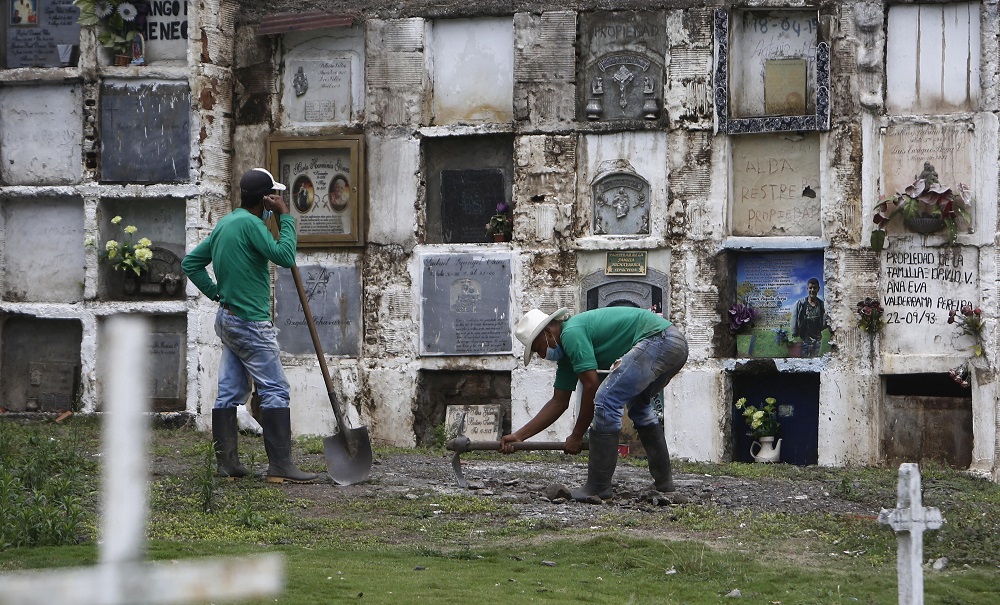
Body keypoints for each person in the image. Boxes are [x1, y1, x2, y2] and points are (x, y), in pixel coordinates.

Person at [181, 168, 319, 483]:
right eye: (275, 195)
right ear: (266, 199)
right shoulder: (253, 224)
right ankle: (280, 467)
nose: (279, 199)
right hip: (251, 323)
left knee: (229, 391)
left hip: (228, 318)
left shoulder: (226, 223)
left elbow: (191, 263)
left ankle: (227, 464)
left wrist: (217, 293)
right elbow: (285, 255)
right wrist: (284, 217)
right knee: (275, 389)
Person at [501, 306, 688, 503]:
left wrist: (577, 435)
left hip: (659, 340)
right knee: (639, 408)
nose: (541, 355)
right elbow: (559, 402)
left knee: (607, 400)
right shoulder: (568, 353)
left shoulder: (571, 334)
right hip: (674, 344)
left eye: (538, 348)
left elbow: (591, 386)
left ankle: (598, 487)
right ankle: (664, 484)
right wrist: (519, 436)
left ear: (548, 333)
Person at [791, 277, 827, 357]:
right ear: (807, 289)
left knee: (814, 360)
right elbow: (794, 319)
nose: (812, 290)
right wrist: (794, 334)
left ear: (818, 289)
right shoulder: (801, 303)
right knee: (803, 361)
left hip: (817, 339)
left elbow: (826, 320)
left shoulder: (822, 305)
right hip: (804, 339)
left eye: (815, 288)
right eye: (810, 287)